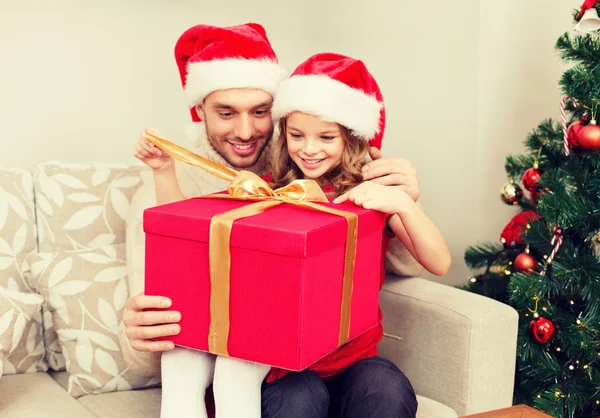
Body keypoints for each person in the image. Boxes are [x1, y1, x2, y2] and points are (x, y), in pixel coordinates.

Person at [120, 22, 426, 418]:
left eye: (260, 111)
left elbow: (409, 264)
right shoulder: (164, 193)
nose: (245, 131)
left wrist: (405, 202)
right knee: (294, 396)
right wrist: (139, 332)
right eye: (226, 112)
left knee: (384, 387)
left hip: (341, 355)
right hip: (268, 365)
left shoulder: (304, 167)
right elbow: (157, 328)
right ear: (199, 111)